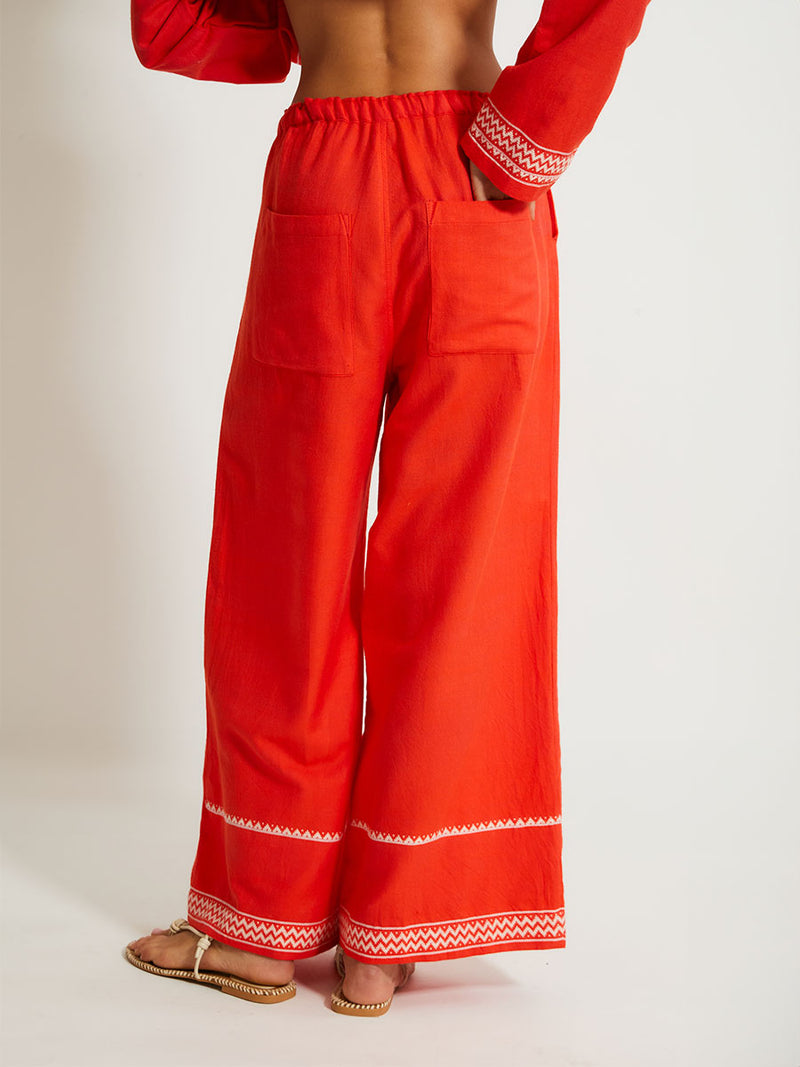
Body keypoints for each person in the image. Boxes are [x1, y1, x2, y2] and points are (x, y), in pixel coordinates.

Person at [124, 0, 650, 1017]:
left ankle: (258, 929)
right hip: (478, 172)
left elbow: (170, 28)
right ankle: (389, 937)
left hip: (328, 170)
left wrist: (297, 29)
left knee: (287, 560)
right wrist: (523, 139)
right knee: (464, 568)